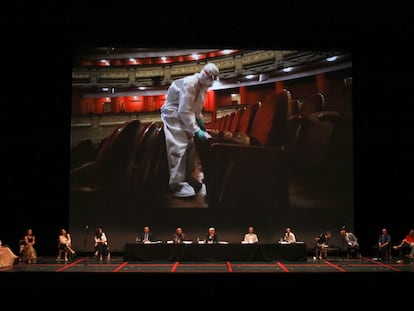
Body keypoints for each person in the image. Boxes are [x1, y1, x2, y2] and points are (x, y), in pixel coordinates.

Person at [160, 62, 219, 198]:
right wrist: (196, 130)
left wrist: (201, 126)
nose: (212, 82)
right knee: (179, 146)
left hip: (184, 115)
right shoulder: (190, 83)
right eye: (212, 78)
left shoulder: (203, 87)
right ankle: (177, 184)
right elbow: (184, 111)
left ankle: (187, 177)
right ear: (205, 74)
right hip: (173, 114)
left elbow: (196, 111)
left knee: (191, 147)